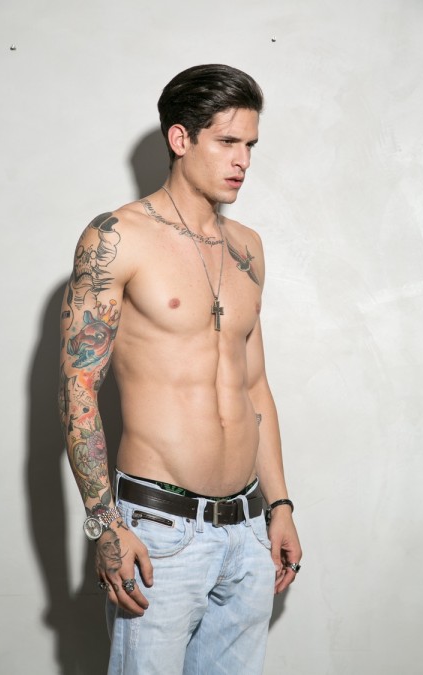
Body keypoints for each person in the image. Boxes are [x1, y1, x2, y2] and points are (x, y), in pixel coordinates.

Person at [59, 63, 302, 675]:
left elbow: (254, 387)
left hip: (247, 530)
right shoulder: (116, 237)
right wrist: (104, 525)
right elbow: (78, 389)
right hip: (159, 533)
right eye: (227, 141)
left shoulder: (247, 247)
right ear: (180, 138)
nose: (242, 160)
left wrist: (280, 506)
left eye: (250, 145)